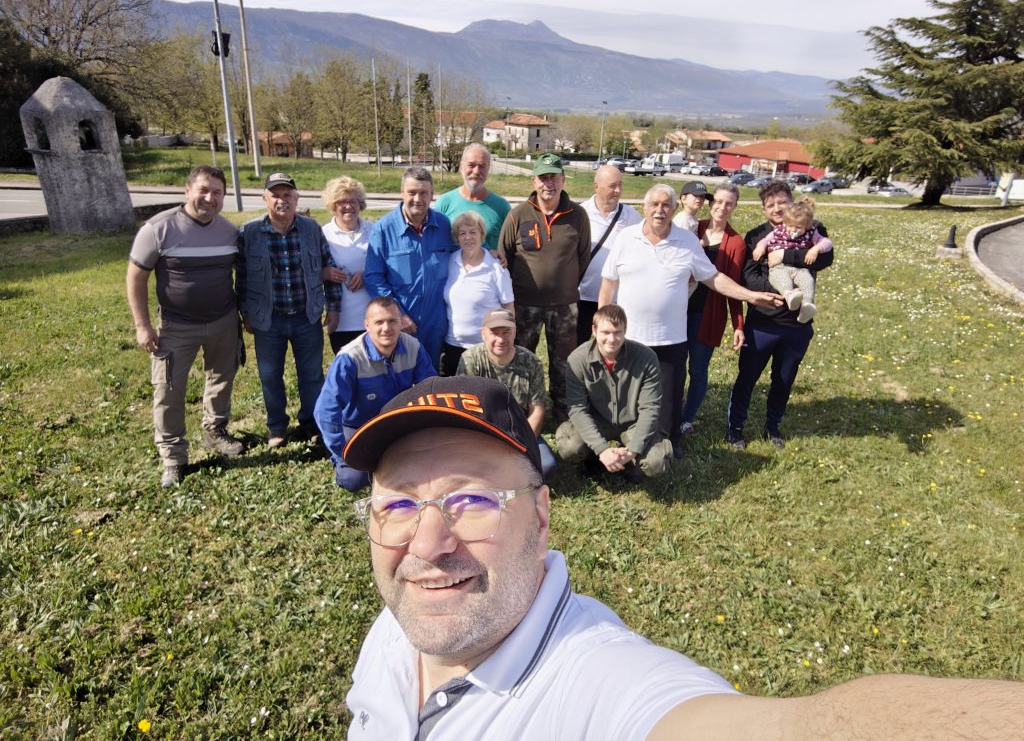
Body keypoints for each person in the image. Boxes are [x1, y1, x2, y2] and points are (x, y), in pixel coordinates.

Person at [341, 375, 1023, 741]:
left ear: (542, 518)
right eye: (397, 505)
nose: (426, 546)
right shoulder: (397, 628)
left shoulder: (598, 686)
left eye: (471, 501)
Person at [599, 184, 781, 460]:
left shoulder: (686, 240)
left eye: (666, 205)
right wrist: (603, 328)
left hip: (670, 338)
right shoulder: (626, 237)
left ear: (675, 208)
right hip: (629, 337)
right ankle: (623, 439)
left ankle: (670, 441)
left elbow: (714, 277)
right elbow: (608, 283)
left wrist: (751, 296)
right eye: (654, 204)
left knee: (669, 398)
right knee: (626, 393)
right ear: (644, 207)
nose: (659, 210)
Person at [126, 165, 244, 487]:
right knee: (168, 391)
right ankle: (173, 457)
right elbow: (136, 277)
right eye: (203, 190)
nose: (209, 198)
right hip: (176, 326)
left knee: (222, 378)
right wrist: (142, 325)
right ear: (187, 190)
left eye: (217, 192)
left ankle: (215, 430)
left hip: (223, 321)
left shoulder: (230, 232)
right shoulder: (158, 229)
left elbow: (244, 274)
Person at [727, 181, 835, 450]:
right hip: (763, 322)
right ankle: (735, 427)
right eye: (770, 205)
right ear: (764, 209)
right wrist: (778, 292)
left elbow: (825, 258)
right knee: (747, 376)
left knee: (784, 378)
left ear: (792, 202)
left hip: (797, 324)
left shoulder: (812, 227)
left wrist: (786, 255)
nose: (777, 208)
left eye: (782, 202)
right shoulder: (756, 236)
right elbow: (749, 276)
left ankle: (772, 426)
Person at [238, 172, 341, 449]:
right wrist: (245, 312)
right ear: (265, 199)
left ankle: (312, 423)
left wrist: (333, 308)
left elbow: (328, 267)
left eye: (287, 195)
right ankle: (277, 426)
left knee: (312, 374)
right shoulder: (249, 233)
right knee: (270, 376)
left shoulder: (311, 229)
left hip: (307, 317)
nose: (282, 200)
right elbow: (242, 276)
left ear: (296, 199)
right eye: (275, 195)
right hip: (268, 320)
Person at [499, 152, 591, 420]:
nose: (548, 183)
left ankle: (563, 415)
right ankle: (520, 412)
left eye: (553, 177)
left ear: (563, 180)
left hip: (564, 307)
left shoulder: (578, 215)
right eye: (543, 178)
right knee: (521, 359)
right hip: (525, 305)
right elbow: (504, 257)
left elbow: (583, 257)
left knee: (564, 363)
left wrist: (562, 283)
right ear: (534, 181)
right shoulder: (518, 215)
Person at [313, 296, 435, 492]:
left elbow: (431, 392)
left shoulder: (414, 347)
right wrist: (342, 453)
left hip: (397, 423)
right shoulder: (350, 358)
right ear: (367, 325)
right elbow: (325, 411)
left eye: (392, 321)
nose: (386, 328)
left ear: (401, 322)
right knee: (353, 479)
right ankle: (343, 465)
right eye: (379, 322)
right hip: (357, 427)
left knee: (427, 465)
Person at [556, 304, 671, 483]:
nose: (612, 339)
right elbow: (577, 409)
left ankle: (630, 461)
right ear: (594, 330)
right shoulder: (577, 359)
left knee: (656, 461)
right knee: (569, 446)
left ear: (625, 331)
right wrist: (601, 449)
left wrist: (633, 449)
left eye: (618, 332)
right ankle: (593, 459)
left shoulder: (646, 358)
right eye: (606, 332)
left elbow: (650, 408)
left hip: (633, 422)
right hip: (597, 421)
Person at [364, 167, 456, 370]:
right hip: (400, 325)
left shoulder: (443, 225)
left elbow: (464, 248)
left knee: (430, 378)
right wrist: (397, 314)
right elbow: (373, 278)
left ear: (432, 195)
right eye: (412, 192)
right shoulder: (384, 229)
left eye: (424, 193)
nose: (417, 199)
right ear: (401, 193)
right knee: (399, 379)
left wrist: (490, 252)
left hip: (435, 324)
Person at [679, 182, 747, 437]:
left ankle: (686, 418)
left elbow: (733, 287)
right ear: (710, 203)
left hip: (707, 315)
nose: (722, 207)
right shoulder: (692, 227)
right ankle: (669, 412)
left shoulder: (736, 243)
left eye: (729, 203)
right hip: (677, 310)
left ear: (734, 207)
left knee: (697, 369)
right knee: (674, 366)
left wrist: (738, 325)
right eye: (718, 201)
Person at [455, 308, 557, 476]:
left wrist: (521, 443)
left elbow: (537, 409)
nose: (500, 339)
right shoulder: (470, 360)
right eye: (494, 333)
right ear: (483, 334)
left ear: (515, 332)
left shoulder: (531, 362)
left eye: (506, 332)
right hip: (483, 431)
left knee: (547, 466)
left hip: (520, 431)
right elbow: (464, 409)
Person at [440, 212, 514, 377]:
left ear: (482, 235)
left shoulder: (496, 267)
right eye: (462, 233)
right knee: (455, 391)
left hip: (485, 346)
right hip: (453, 345)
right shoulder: (450, 261)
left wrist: (507, 339)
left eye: (473, 232)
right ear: (457, 238)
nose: (468, 237)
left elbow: (508, 307)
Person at [578, 164, 642, 345]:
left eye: (620, 185)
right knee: (578, 348)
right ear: (596, 186)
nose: (618, 190)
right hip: (582, 298)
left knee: (612, 347)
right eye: (613, 186)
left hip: (616, 300)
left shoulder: (632, 217)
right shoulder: (580, 213)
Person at [751, 197, 833, 324]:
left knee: (807, 280)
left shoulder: (811, 233)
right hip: (779, 267)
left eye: (798, 227)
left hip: (800, 269)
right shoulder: (778, 231)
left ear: (807, 226)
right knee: (780, 278)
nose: (793, 230)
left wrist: (815, 249)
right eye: (790, 226)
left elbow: (827, 243)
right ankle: (789, 294)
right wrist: (760, 247)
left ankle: (807, 305)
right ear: (785, 222)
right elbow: (765, 240)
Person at [320, 175, 373, 353]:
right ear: (333, 206)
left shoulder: (373, 230)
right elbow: (310, 269)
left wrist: (368, 274)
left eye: (353, 201)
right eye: (342, 202)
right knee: (348, 365)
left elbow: (388, 264)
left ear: (360, 204)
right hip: (341, 319)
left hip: (373, 316)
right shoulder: (323, 234)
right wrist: (325, 273)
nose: (348, 206)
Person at [434, 143, 511, 250]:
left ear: (488, 168)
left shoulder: (502, 207)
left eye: (482, 166)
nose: (476, 171)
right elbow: (435, 245)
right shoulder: (444, 204)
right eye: (471, 165)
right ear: (461, 167)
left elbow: (509, 249)